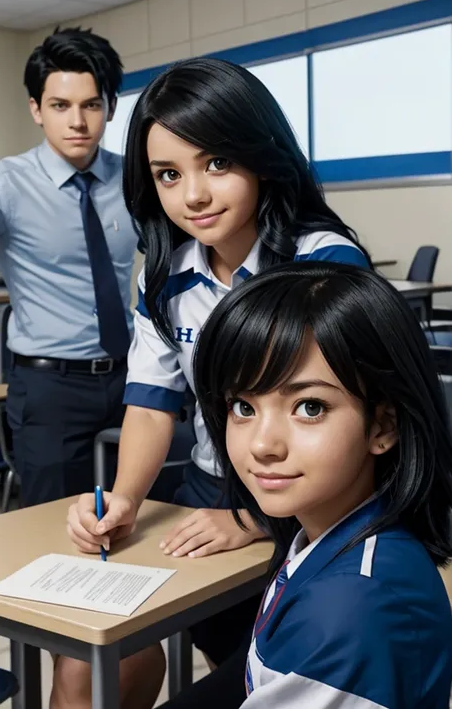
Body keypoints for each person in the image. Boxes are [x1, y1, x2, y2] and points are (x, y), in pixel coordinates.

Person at [67, 57, 371, 676]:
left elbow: (353, 427)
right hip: (209, 485)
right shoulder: (167, 278)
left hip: (318, 501)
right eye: (168, 175)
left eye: (217, 163)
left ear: (260, 154)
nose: (194, 195)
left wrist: (257, 517)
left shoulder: (326, 265)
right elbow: (152, 403)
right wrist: (124, 499)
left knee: (274, 666)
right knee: (100, 658)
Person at [0, 27, 164, 709]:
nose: (78, 121)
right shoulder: (2, 184)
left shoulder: (137, 179)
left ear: (110, 105)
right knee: (55, 549)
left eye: (91, 104)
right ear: (36, 108)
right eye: (61, 105)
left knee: (152, 524)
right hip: (49, 384)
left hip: (137, 378)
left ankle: (139, 656)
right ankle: (65, 684)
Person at [188, 261, 452, 708]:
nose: (263, 445)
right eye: (243, 406)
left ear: (382, 425)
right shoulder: (327, 538)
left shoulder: (352, 609)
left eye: (309, 407)